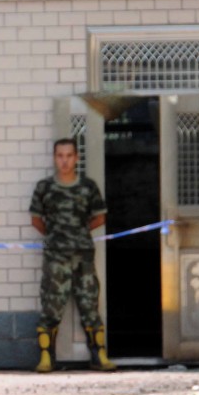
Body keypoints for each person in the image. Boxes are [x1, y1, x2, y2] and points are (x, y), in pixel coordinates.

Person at [29, 137, 116, 373]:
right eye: (60, 156)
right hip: (56, 258)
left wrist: (77, 234)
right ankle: (47, 357)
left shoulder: (87, 187)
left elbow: (100, 217)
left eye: (69, 156)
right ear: (55, 158)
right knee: (51, 306)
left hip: (84, 257)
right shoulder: (44, 188)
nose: (64, 161)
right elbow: (36, 220)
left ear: (76, 158)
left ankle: (99, 355)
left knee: (90, 305)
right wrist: (58, 237)